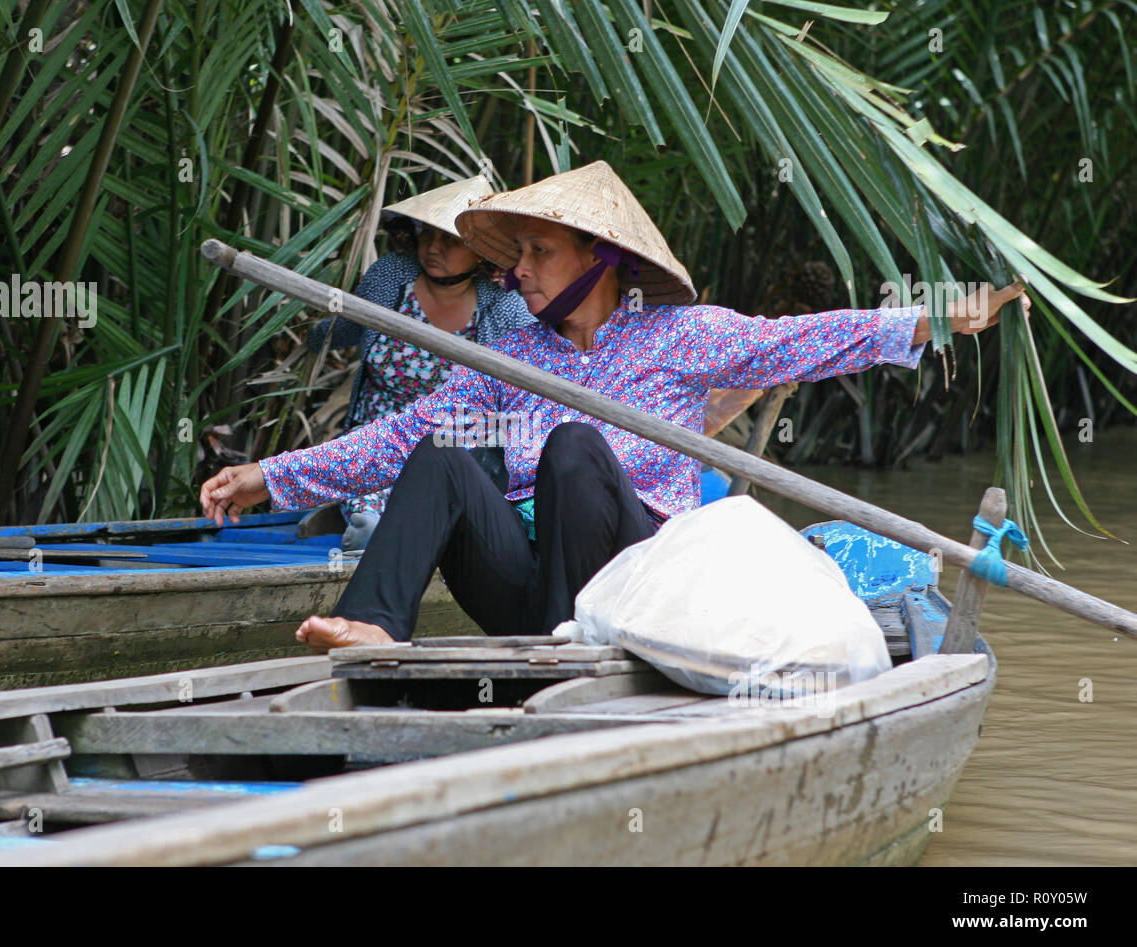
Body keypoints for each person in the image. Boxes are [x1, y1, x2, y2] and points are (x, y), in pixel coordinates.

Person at [200, 160, 1029, 651]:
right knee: (446, 456)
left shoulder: (681, 337)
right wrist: (270, 476)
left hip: (633, 582)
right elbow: (400, 435)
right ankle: (378, 625)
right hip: (527, 586)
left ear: (601, 263)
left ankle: (578, 655)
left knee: (570, 448)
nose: (515, 271)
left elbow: (800, 341)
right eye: (516, 251)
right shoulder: (513, 355)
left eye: (538, 252)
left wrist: (933, 316)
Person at [300, 175, 534, 550]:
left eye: (449, 240)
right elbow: (346, 329)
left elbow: (527, 383)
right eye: (427, 234)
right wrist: (309, 333)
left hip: (454, 441)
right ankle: (368, 524)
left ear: (481, 250)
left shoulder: (506, 306)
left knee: (432, 485)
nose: (433, 247)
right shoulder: (393, 274)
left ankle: (397, 529)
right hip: (376, 432)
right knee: (367, 482)